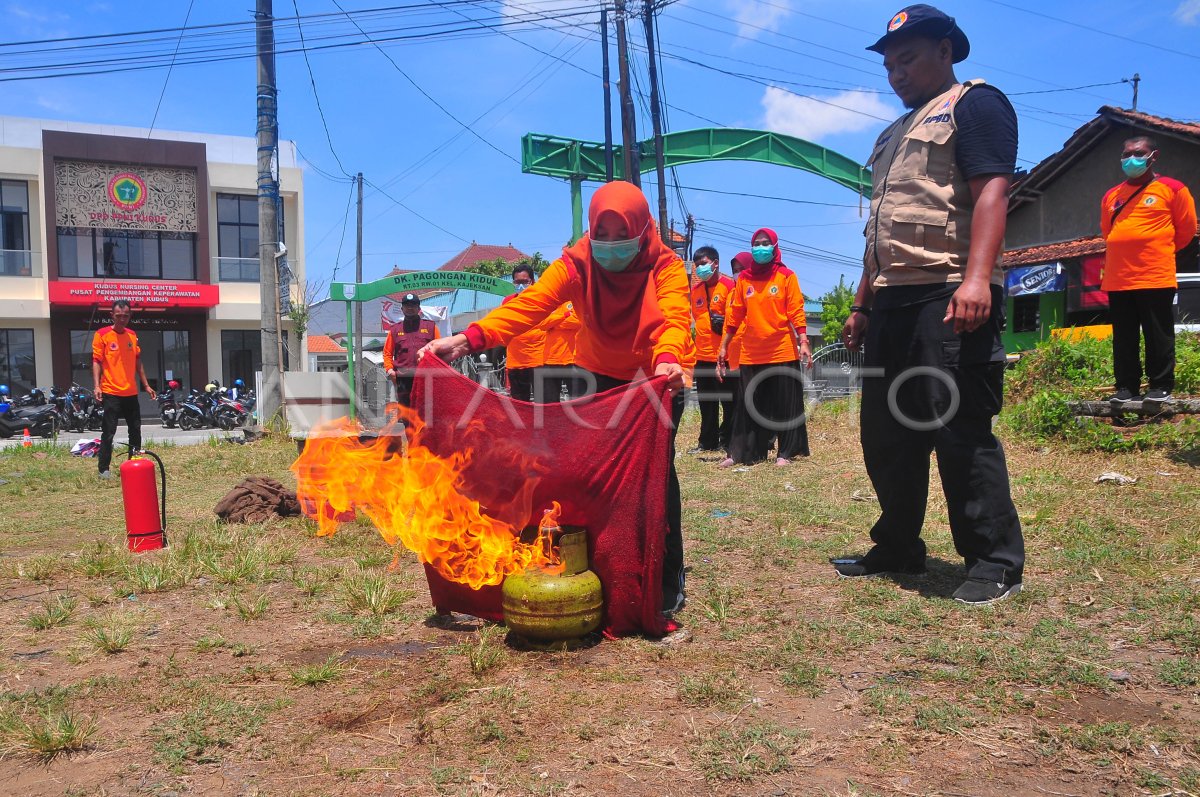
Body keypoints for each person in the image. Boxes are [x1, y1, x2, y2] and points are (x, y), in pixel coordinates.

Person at [419, 181, 693, 618]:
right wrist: (469, 339)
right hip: (600, 377)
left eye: (619, 240)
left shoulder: (666, 267)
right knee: (598, 479)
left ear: (642, 234)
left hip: (658, 379)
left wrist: (668, 360)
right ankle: (609, 570)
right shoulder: (576, 264)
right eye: (599, 238)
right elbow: (530, 305)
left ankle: (663, 582)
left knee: (654, 480)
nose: (608, 248)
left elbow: (675, 318)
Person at [838, 4, 1025, 605]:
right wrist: (862, 305)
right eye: (889, 64)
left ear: (945, 51)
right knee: (886, 431)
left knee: (956, 426)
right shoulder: (892, 134)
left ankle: (993, 560)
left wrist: (977, 280)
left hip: (948, 292)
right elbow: (878, 232)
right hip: (891, 300)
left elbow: (992, 192)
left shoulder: (975, 104)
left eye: (908, 59)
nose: (896, 73)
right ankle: (898, 545)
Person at [1100, 135, 1197, 402]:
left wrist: (1156, 250)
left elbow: (1186, 231)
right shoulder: (1112, 195)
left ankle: (1160, 386)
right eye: (1126, 154)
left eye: (1138, 153)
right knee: (1124, 338)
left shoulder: (1173, 188)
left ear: (1154, 156)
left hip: (1154, 274)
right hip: (1118, 278)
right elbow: (1108, 231)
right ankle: (1126, 387)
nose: (1131, 159)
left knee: (1158, 334)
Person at [716, 230, 812, 467]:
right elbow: (734, 314)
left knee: (784, 403)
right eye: (756, 244)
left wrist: (803, 341)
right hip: (751, 351)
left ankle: (785, 453)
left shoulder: (786, 276)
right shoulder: (745, 280)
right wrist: (723, 347)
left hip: (781, 348)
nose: (760, 248)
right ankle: (742, 453)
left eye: (765, 243)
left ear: (775, 246)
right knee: (748, 404)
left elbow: (796, 310)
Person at [92, 299, 156, 478]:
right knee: (109, 432)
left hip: (131, 392)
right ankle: (103, 469)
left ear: (130, 316)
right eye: (118, 316)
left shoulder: (132, 335)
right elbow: (96, 361)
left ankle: (134, 463)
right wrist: (97, 386)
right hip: (111, 392)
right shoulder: (102, 334)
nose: (122, 319)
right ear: (112, 315)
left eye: (125, 316)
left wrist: (146, 385)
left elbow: (138, 362)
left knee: (135, 430)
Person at [689, 246, 737, 453]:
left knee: (728, 402)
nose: (700, 268)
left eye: (703, 263)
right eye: (697, 265)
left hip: (723, 356)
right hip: (702, 355)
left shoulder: (729, 286)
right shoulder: (696, 291)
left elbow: (735, 318)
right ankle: (707, 442)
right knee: (706, 402)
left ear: (716, 263)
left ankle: (727, 441)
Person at [383, 293, 440, 407]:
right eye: (407, 305)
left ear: (419, 308)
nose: (410, 308)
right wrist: (390, 370)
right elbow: (387, 353)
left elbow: (439, 349)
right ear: (402, 309)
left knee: (426, 409)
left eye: (413, 305)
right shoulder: (394, 329)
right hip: (403, 378)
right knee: (406, 410)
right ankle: (408, 425)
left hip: (426, 376)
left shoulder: (431, 327)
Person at [503, 264, 547, 402]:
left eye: (524, 282)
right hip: (516, 362)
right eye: (517, 282)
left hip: (540, 360)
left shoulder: (543, 299)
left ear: (532, 281)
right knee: (519, 406)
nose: (521, 286)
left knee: (544, 405)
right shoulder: (507, 301)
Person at [541, 300, 582, 401]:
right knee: (550, 402)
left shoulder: (573, 303)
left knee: (577, 400)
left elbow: (577, 321)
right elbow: (542, 324)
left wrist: (553, 324)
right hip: (550, 360)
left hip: (571, 360)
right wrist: (565, 315)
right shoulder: (549, 305)